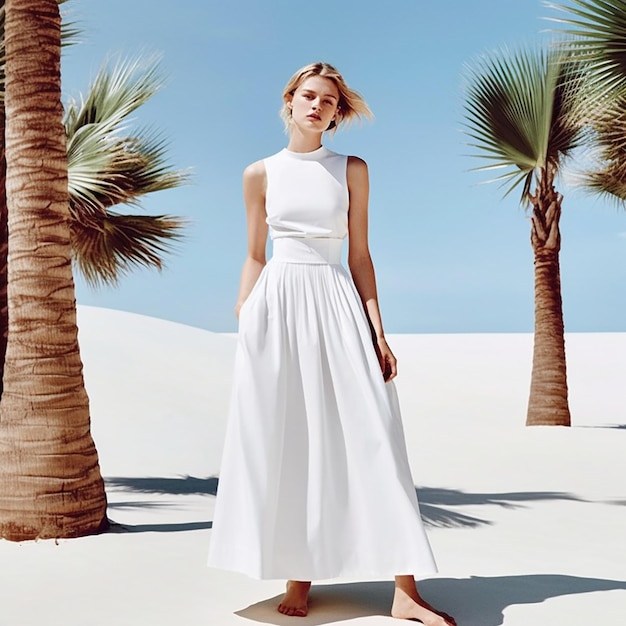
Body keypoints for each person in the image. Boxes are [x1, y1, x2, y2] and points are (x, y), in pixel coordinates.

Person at [208, 62, 456, 626]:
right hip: (277, 307)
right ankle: (298, 576)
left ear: (337, 114)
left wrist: (378, 331)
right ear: (289, 100)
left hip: (337, 302)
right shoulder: (259, 174)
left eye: (329, 101)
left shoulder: (351, 169)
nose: (318, 106)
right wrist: (245, 315)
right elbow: (254, 254)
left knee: (375, 434)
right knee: (293, 436)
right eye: (309, 96)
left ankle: (405, 590)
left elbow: (360, 255)